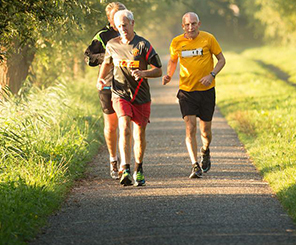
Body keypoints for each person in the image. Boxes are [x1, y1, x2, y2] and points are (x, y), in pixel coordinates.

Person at [97, 10, 162, 186]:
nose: (122, 29)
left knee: (139, 134)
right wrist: (100, 79)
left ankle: (138, 169)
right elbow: (107, 62)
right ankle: (125, 168)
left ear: (133, 23)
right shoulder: (111, 45)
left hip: (140, 96)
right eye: (119, 26)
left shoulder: (143, 45)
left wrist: (143, 73)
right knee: (124, 125)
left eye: (125, 25)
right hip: (120, 93)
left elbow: (158, 70)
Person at [162, 12, 226, 178]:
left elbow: (221, 60)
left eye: (194, 23)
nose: (191, 27)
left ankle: (205, 150)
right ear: (183, 26)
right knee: (190, 128)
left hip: (206, 91)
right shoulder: (176, 42)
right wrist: (168, 75)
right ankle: (194, 165)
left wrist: (211, 75)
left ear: (199, 24)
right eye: (187, 24)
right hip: (186, 91)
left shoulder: (208, 39)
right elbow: (173, 61)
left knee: (206, 132)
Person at [85, 2, 126, 179]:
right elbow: (89, 58)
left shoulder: (128, 32)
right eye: (115, 16)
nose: (119, 19)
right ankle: (113, 160)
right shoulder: (102, 36)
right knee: (111, 126)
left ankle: (126, 163)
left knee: (125, 125)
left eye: (122, 14)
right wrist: (108, 58)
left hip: (126, 84)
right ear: (109, 18)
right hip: (108, 84)